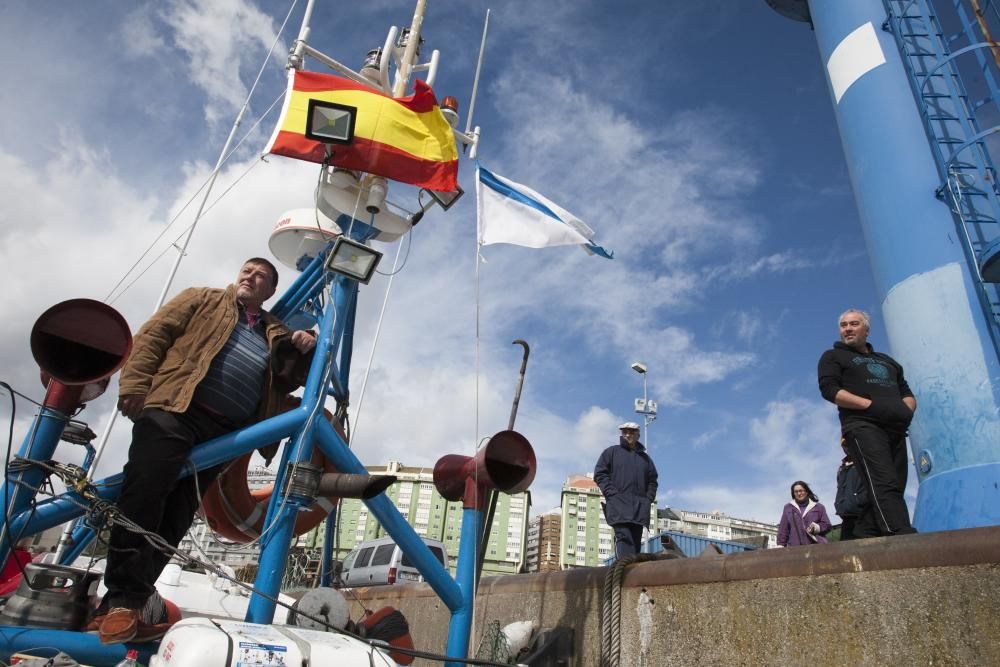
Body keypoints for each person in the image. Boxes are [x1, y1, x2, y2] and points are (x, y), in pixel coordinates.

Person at [92, 258, 317, 644]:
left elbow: (288, 377)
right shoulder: (202, 299)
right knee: (144, 493)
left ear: (270, 292)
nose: (250, 276)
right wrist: (135, 386)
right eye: (247, 270)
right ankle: (121, 601)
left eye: (260, 275)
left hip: (224, 435)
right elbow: (155, 335)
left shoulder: (273, 332)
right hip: (174, 409)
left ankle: (126, 604)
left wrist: (306, 343)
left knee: (178, 515)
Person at [818, 308, 917, 538]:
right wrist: (869, 406)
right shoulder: (833, 356)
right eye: (843, 325)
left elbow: (907, 392)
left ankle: (865, 534)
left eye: (854, 324)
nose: (848, 329)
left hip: (895, 427)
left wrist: (905, 411)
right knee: (884, 480)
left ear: (867, 330)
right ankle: (900, 533)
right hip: (862, 426)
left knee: (897, 483)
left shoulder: (887, 362)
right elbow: (830, 390)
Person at [594, 422, 658, 558]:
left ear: (638, 435)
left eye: (631, 432)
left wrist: (647, 499)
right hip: (619, 507)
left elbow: (653, 481)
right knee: (624, 539)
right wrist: (612, 494)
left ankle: (632, 575)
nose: (627, 434)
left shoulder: (645, 460)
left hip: (639, 510)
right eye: (625, 432)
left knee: (635, 545)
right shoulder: (611, 452)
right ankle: (624, 573)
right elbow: (600, 474)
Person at [777, 481, 832, 547]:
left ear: (806, 491)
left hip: (817, 546)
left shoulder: (819, 507)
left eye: (801, 491)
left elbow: (827, 525)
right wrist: (780, 545)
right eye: (796, 492)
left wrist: (817, 527)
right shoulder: (788, 508)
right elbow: (783, 529)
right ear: (793, 493)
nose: (799, 493)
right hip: (795, 548)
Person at [835, 438, 868, 541]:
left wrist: (858, 500)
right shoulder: (841, 468)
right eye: (844, 445)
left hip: (864, 515)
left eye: (849, 443)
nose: (847, 447)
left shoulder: (865, 461)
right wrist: (839, 504)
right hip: (847, 517)